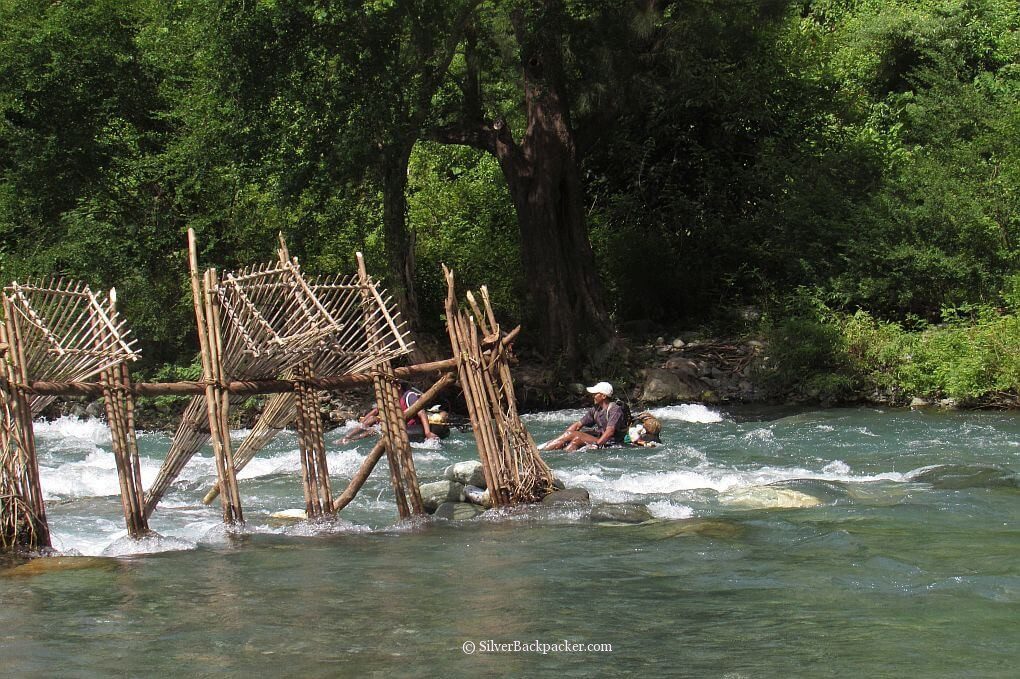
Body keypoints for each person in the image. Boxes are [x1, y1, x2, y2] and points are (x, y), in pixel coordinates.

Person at [337, 382, 440, 445]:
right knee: (373, 419)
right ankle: (347, 437)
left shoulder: (409, 396)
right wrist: (361, 423)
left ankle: (354, 440)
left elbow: (421, 412)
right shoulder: (391, 399)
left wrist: (427, 433)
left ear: (398, 387)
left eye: (388, 387)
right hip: (397, 424)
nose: (386, 390)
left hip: (411, 427)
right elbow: (376, 410)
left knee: (379, 429)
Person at [541, 381, 628, 451]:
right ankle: (560, 455)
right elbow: (578, 425)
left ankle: (542, 451)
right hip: (599, 439)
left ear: (604, 396)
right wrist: (565, 436)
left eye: (595, 394)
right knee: (575, 440)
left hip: (610, 443)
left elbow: (610, 432)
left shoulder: (615, 409)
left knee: (577, 437)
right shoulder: (596, 409)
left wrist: (597, 445)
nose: (593, 396)